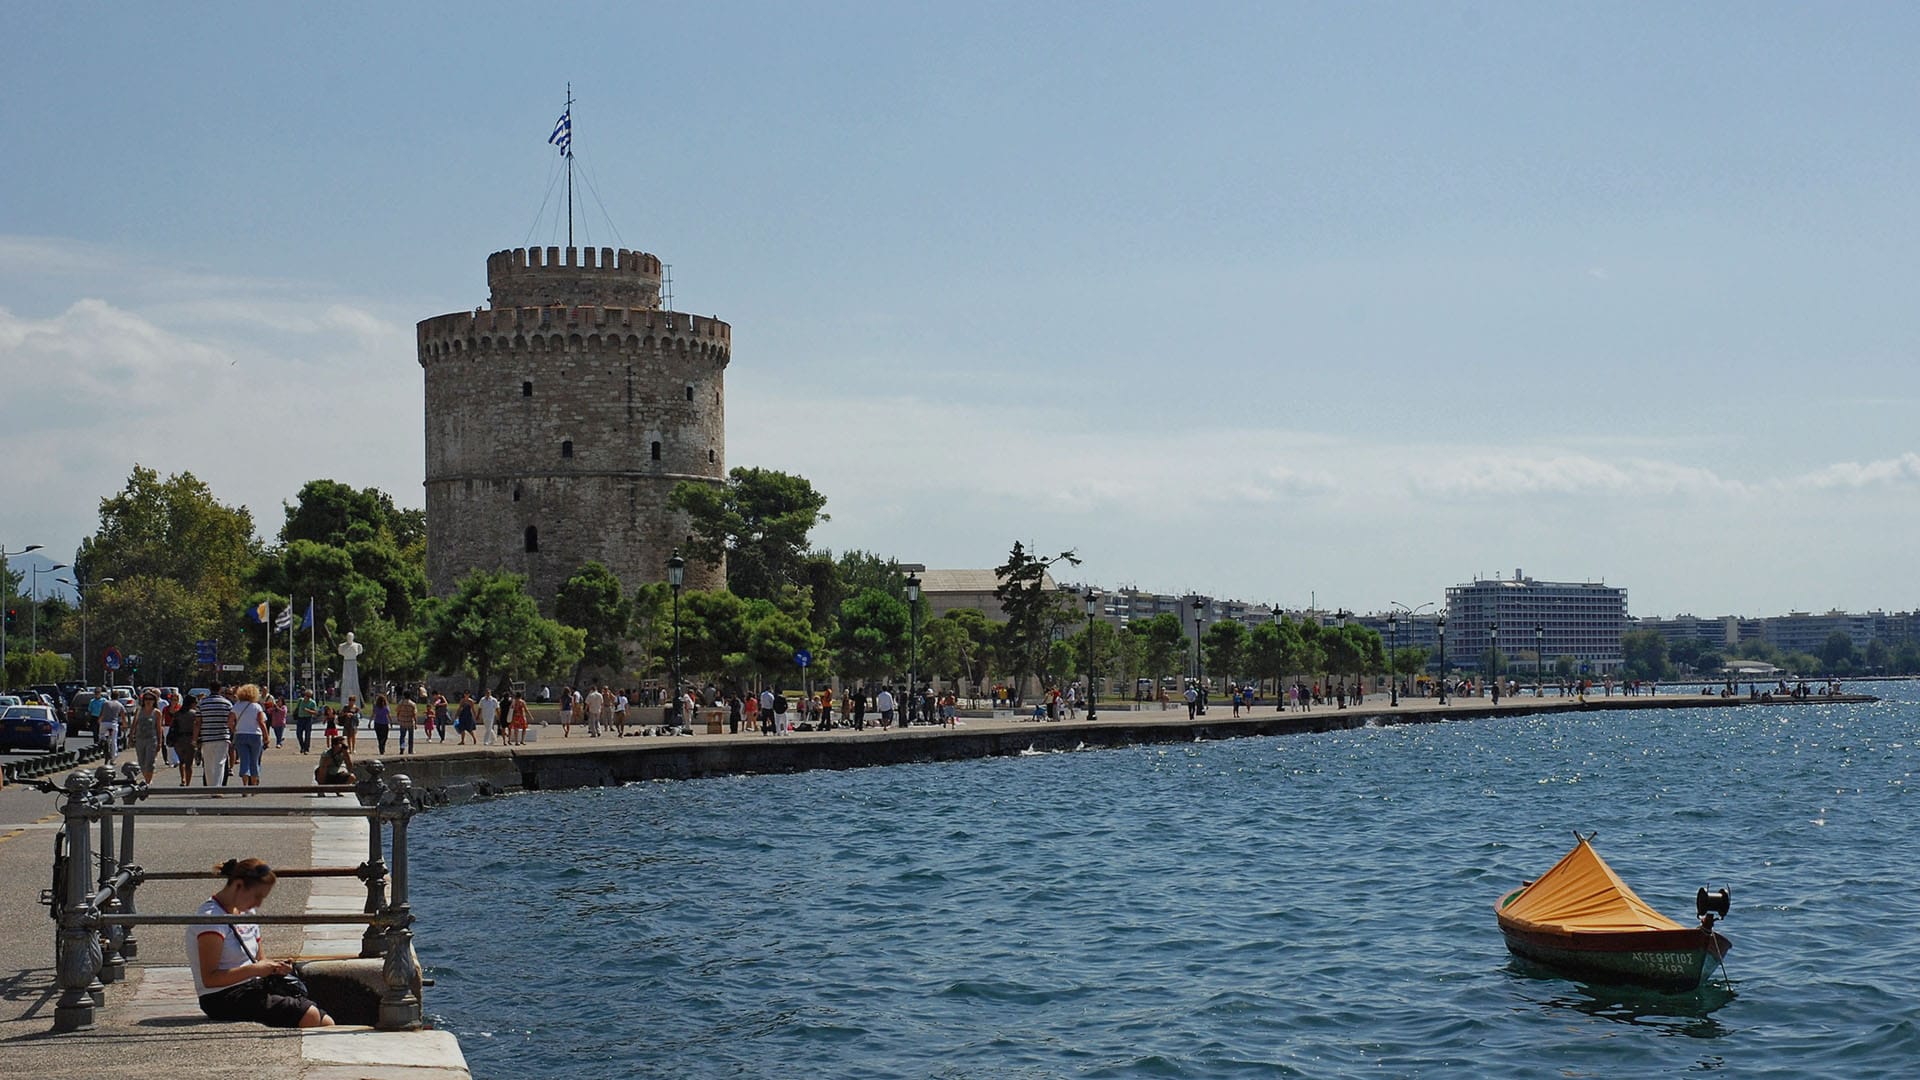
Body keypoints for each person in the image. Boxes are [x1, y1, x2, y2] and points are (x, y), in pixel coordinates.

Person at [191, 858, 334, 1028]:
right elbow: (209, 978)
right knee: (310, 1015)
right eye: (257, 896)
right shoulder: (211, 918)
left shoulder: (247, 913)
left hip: (252, 986)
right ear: (238, 886)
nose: (258, 903)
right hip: (222, 996)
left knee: (324, 1018)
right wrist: (255, 969)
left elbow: (260, 959)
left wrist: (276, 968)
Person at [230, 684, 269, 787]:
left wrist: (235, 730)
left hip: (240, 735)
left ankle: (245, 785)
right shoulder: (256, 706)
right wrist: (266, 736)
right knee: (254, 760)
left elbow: (229, 722)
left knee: (244, 760)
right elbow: (261, 722)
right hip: (255, 735)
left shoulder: (237, 705)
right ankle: (254, 784)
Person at [198, 683, 235, 788]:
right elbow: (231, 721)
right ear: (220, 689)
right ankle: (217, 787)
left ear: (210, 689)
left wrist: (195, 738)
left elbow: (198, 722)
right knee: (220, 763)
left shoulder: (202, 703)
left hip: (206, 737)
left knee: (208, 764)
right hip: (222, 737)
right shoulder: (227, 703)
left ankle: (210, 787)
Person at [130, 689, 165, 783]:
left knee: (150, 762)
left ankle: (148, 782)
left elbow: (159, 728)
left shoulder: (157, 712)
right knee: (141, 762)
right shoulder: (138, 711)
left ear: (154, 701)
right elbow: (134, 725)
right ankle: (146, 778)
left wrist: (160, 743)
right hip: (140, 739)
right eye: (146, 699)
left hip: (151, 740)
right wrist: (130, 737)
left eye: (151, 699)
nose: (148, 701)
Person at [97, 693, 126, 763]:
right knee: (114, 741)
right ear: (118, 697)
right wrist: (124, 725)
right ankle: (113, 758)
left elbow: (101, 713)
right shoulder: (119, 705)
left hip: (104, 723)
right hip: (113, 724)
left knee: (101, 735)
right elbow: (123, 716)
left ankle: (102, 744)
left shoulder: (105, 703)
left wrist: (99, 720)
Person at [291, 690, 319, 754]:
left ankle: (306, 749)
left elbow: (315, 712)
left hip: (308, 719)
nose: (307, 697)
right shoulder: (300, 700)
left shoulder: (312, 702)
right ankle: (302, 746)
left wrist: (308, 710)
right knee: (298, 734)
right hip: (300, 719)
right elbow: (297, 708)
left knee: (307, 734)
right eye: (306, 695)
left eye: (309, 696)